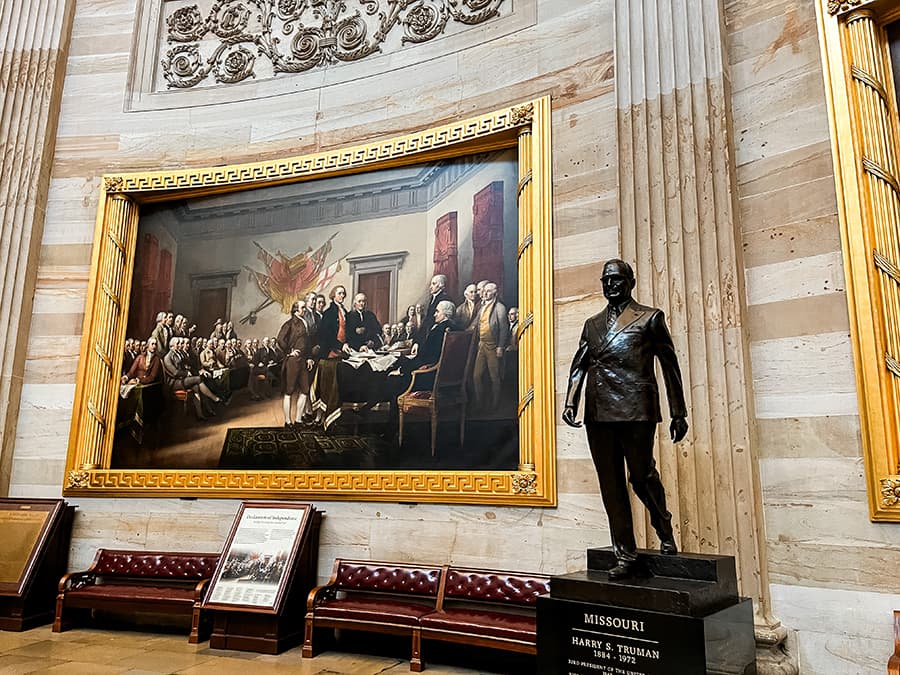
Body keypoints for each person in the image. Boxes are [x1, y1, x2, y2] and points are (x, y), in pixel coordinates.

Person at [562, 259, 689, 579]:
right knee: (611, 485)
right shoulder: (592, 324)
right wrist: (570, 402)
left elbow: (670, 367)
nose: (611, 285)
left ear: (631, 282)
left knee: (641, 476)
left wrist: (678, 411)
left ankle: (663, 526)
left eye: (617, 279)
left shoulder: (650, 318)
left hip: (636, 409)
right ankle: (625, 554)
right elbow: (580, 365)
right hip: (598, 412)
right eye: (606, 280)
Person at [277, 300, 315, 427]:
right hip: (293, 361)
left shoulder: (305, 322)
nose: (304, 310)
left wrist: (309, 357)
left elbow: (307, 343)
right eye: (302, 308)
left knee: (305, 389)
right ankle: (288, 421)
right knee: (289, 391)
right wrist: (289, 352)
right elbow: (280, 339)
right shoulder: (289, 324)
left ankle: (298, 420)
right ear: (295, 310)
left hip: (303, 361)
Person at [472, 282, 509, 408]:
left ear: (495, 293)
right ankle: (479, 404)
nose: (485, 293)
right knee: (476, 376)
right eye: (484, 291)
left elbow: (504, 329)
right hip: (481, 346)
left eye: (488, 291)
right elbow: (475, 324)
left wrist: (500, 346)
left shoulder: (500, 308)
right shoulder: (482, 307)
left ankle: (495, 404)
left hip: (493, 346)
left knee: (495, 377)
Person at [320, 285, 350, 358]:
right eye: (339, 293)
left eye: (343, 293)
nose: (342, 296)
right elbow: (327, 335)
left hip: (344, 349)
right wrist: (340, 345)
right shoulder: (328, 313)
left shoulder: (344, 311)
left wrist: (346, 344)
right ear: (333, 295)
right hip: (331, 351)